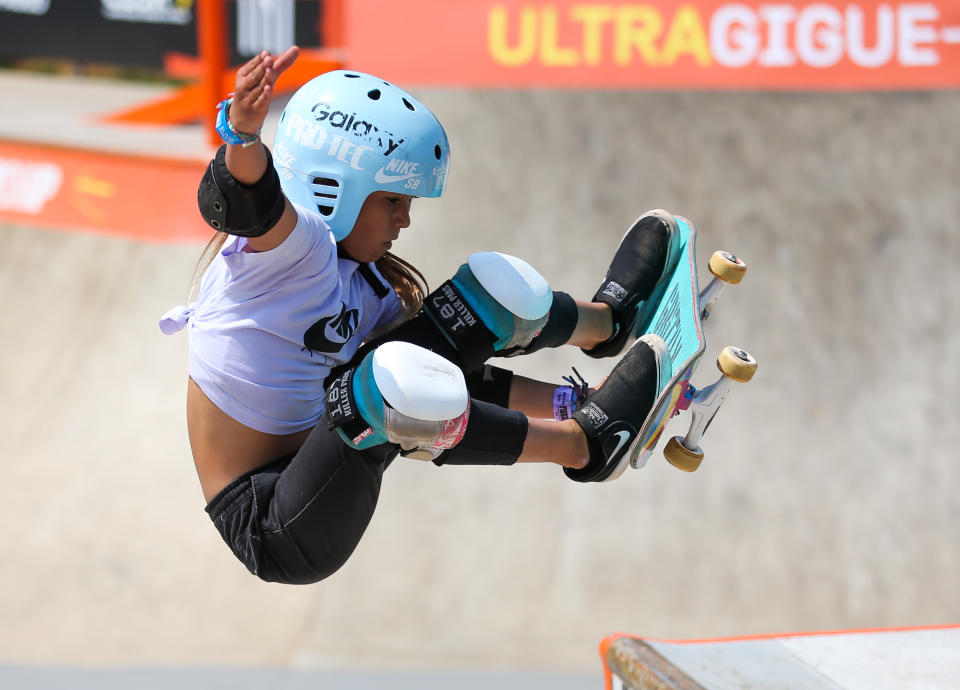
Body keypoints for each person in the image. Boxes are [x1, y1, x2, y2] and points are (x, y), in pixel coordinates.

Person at [160, 47, 680, 585]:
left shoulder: (371, 289)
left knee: (485, 300)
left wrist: (573, 398)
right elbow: (252, 200)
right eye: (393, 201)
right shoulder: (291, 252)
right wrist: (243, 138)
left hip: (326, 454)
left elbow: (465, 379)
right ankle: (584, 447)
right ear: (333, 188)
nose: (405, 220)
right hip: (274, 526)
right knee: (387, 385)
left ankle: (609, 323)